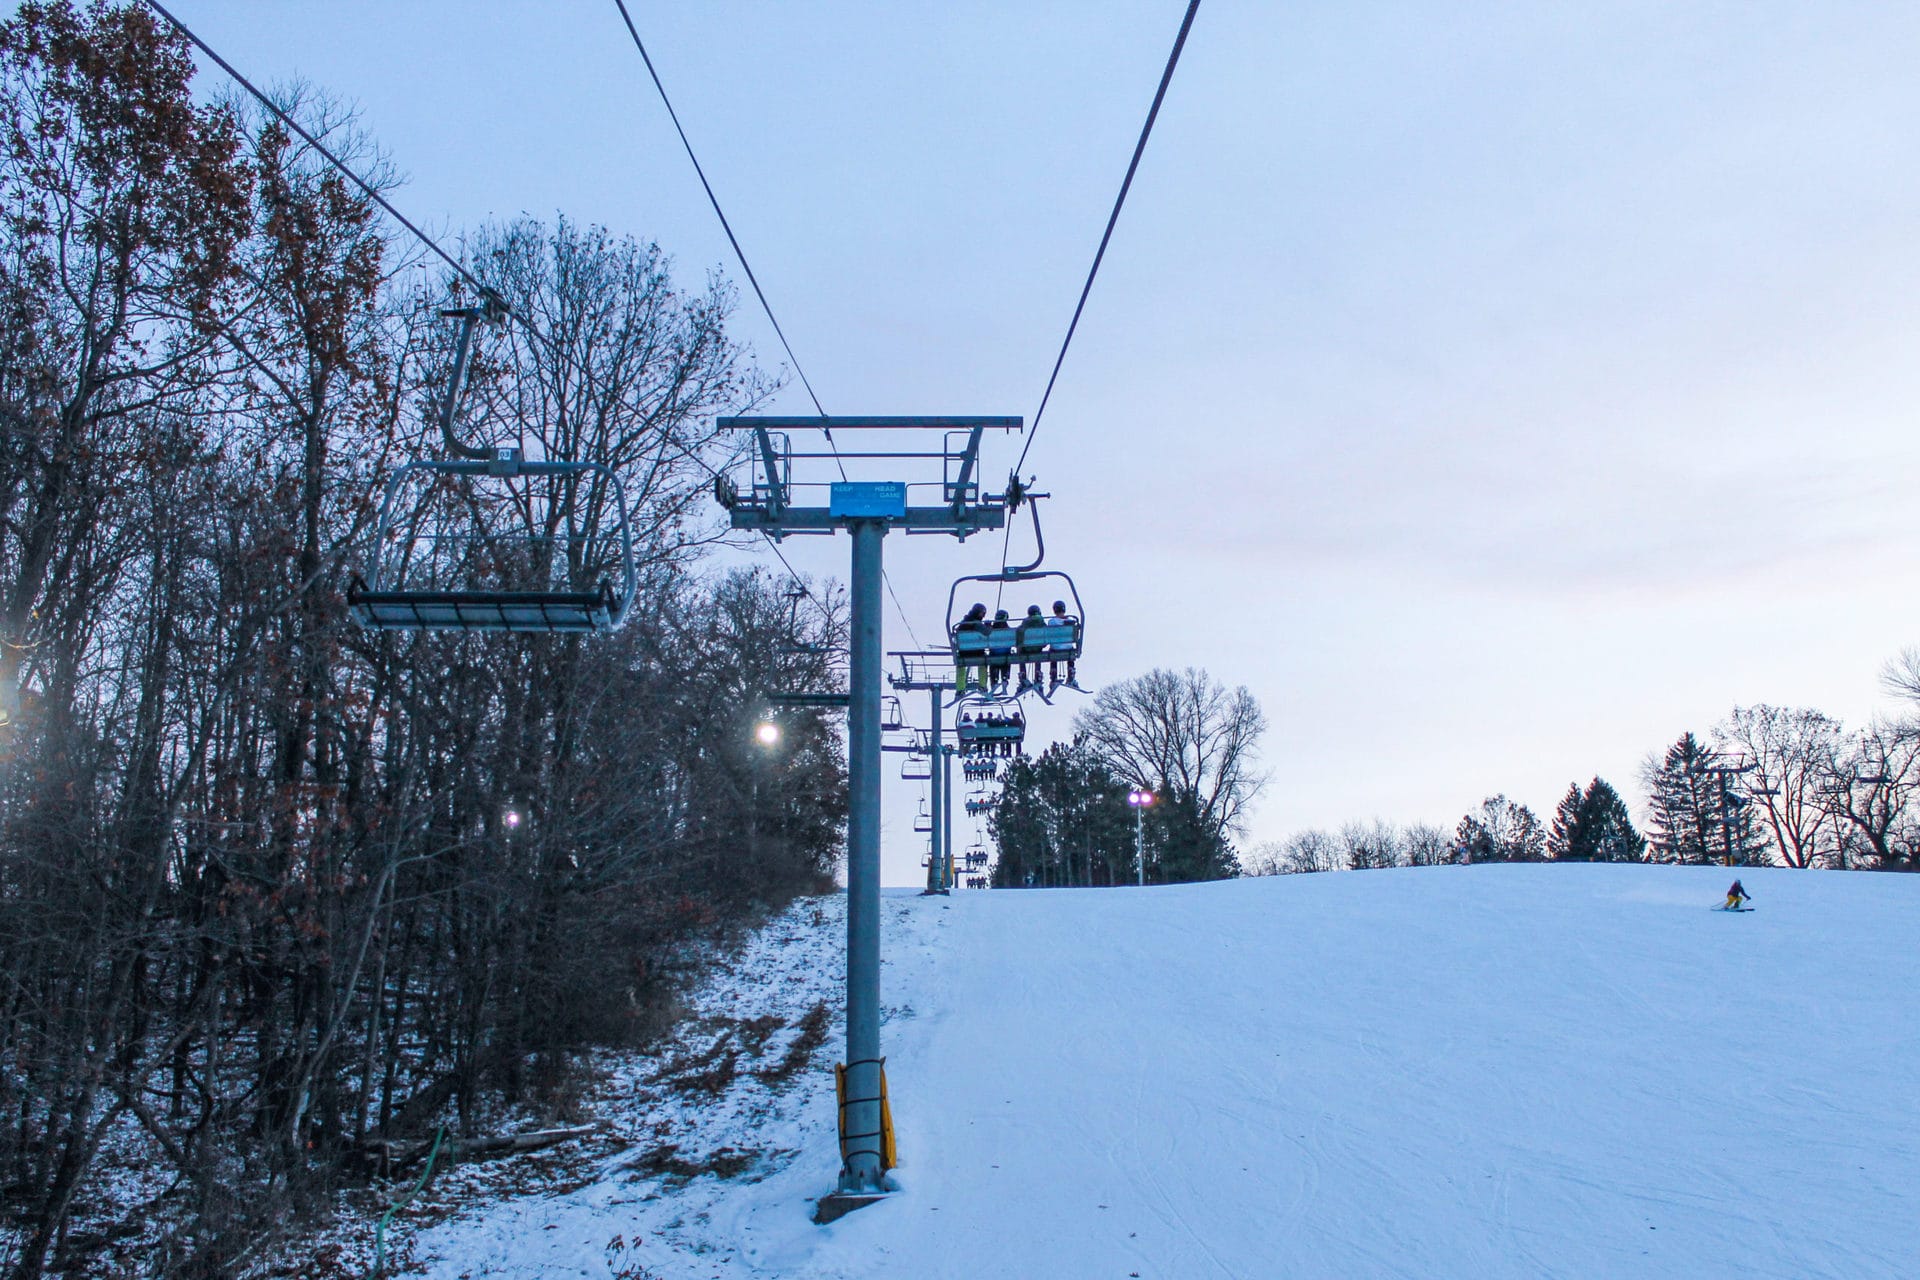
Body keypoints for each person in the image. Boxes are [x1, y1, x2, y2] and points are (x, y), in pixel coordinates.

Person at [954, 603, 989, 692]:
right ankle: (982, 685)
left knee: (961, 664)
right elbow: (987, 633)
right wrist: (988, 626)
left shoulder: (963, 623)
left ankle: (960, 688)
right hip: (977, 652)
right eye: (982, 613)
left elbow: (956, 636)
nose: (983, 616)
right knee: (983, 663)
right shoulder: (976, 623)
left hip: (964, 652)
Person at [1048, 600, 1080, 691]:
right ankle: (1071, 674)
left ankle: (1053, 677)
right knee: (1071, 653)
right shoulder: (1070, 621)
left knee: (1052, 653)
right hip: (1068, 648)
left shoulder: (1052, 622)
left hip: (1055, 648)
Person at [1016, 604, 1048, 691]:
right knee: (1038, 652)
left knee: (1020, 651)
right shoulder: (1042, 623)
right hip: (1037, 649)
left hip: (1026, 649)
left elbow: (1019, 632)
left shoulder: (1025, 622)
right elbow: (1046, 638)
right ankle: (1038, 674)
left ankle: (1023, 675)